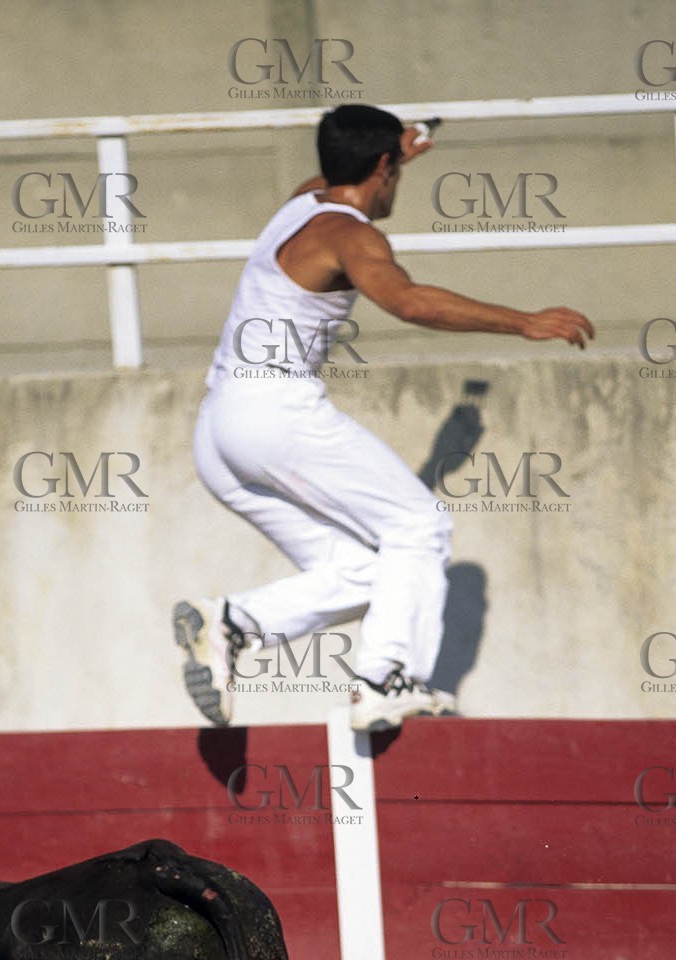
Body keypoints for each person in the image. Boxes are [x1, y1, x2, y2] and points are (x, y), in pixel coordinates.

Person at [174, 104, 594, 732]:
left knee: (366, 571)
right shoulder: (352, 235)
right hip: (276, 414)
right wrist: (524, 321)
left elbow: (338, 179)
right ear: (383, 168)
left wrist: (392, 154)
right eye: (394, 170)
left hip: (218, 429)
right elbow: (407, 300)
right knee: (418, 527)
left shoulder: (299, 203)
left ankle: (232, 623)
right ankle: (384, 680)